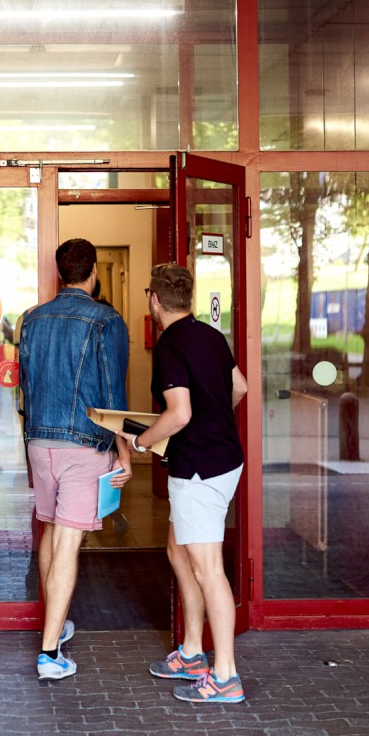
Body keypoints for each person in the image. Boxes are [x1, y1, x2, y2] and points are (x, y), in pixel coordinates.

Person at [128, 263, 248, 704]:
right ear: (190, 300)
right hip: (223, 460)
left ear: (154, 300)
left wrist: (141, 441)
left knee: (207, 568)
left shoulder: (170, 346)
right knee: (178, 551)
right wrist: (214, 421)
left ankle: (226, 676)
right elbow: (240, 387)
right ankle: (194, 653)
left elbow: (178, 414)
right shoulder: (211, 337)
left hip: (199, 470)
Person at [17, 239, 131, 680]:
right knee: (68, 541)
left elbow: (25, 384)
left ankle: (56, 622)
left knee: (49, 528)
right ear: (94, 271)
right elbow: (113, 395)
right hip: (84, 445)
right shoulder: (106, 320)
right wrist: (125, 453)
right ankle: (49, 653)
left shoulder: (32, 319)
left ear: (61, 271)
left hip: (39, 441)